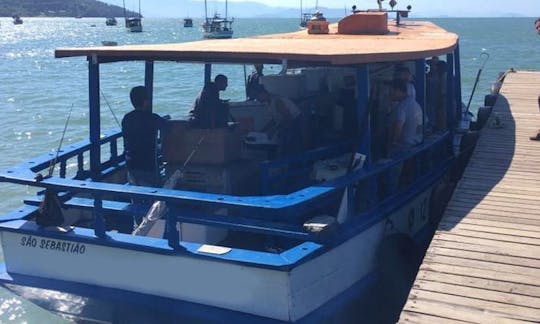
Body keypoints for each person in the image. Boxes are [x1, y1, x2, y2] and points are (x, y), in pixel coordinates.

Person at [122, 86, 169, 188]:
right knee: (152, 193)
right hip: (147, 166)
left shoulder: (127, 118)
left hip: (131, 164)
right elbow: (168, 127)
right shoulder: (152, 118)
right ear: (145, 101)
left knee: (135, 192)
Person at [257, 89, 306, 155]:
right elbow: (274, 120)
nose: (257, 98)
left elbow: (288, 116)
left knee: (294, 144)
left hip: (296, 120)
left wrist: (275, 129)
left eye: (258, 96)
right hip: (287, 121)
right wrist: (263, 130)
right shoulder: (268, 103)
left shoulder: (277, 101)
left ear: (264, 93)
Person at [388, 78, 423, 154]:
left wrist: (394, 143)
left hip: (406, 147)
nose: (390, 94)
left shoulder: (402, 107)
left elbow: (398, 127)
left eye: (391, 91)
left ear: (398, 90)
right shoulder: (415, 104)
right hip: (418, 143)